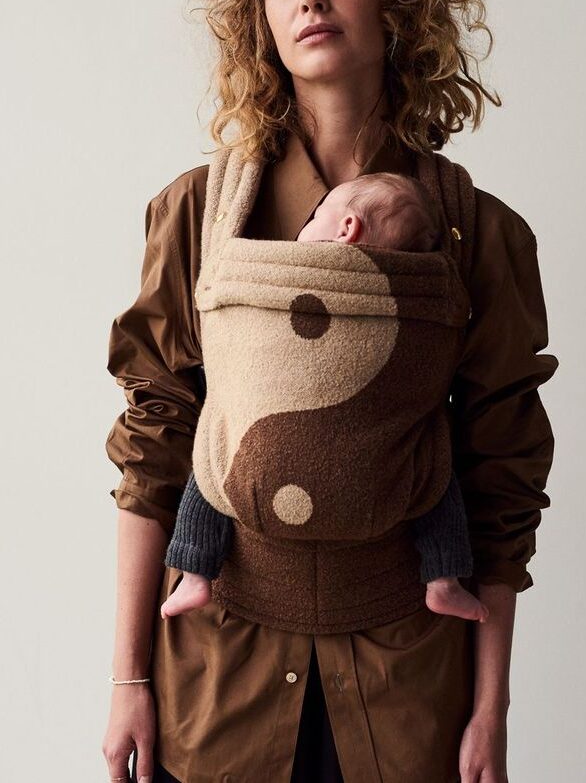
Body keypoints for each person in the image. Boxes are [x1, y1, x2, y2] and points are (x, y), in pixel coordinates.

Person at [102, 0, 558, 783]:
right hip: (218, 676)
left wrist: (488, 710)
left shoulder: (478, 231)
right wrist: (126, 677)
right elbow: (157, 442)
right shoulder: (196, 214)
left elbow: (501, 478)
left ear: (395, 1)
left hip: (405, 681)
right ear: (259, 20)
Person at [159, 171, 489, 628]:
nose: (303, 229)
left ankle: (194, 571)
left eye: (316, 217)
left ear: (347, 228)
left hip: (259, 468)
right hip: (384, 483)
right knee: (435, 472)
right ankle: (444, 580)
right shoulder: (425, 287)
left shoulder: (267, 258)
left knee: (215, 459)